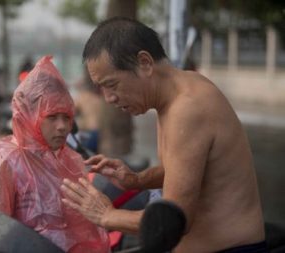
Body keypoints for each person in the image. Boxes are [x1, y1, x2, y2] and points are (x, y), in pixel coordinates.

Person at [60, 17, 266, 253]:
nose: (108, 98)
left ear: (145, 63)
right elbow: (183, 170)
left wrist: (107, 215)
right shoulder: (173, 97)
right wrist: (136, 180)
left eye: (112, 84)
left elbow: (179, 218)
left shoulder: (188, 107)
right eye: (102, 88)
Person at [0, 56, 110, 253]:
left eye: (67, 117)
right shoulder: (4, 160)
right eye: (52, 117)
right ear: (30, 116)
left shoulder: (71, 160)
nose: (62, 127)